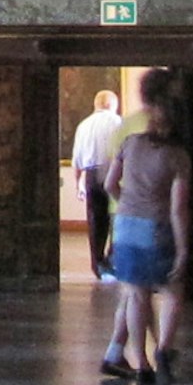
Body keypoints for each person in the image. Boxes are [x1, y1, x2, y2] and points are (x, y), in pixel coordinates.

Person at [101, 88, 193, 384]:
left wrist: (127, 203)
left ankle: (141, 364)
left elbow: (109, 184)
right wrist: (182, 249)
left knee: (136, 295)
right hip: (155, 226)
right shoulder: (178, 156)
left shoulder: (130, 143)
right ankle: (165, 350)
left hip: (125, 225)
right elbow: (178, 208)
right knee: (171, 290)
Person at [70, 87, 127, 283]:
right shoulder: (119, 123)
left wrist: (78, 184)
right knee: (117, 219)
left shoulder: (84, 126)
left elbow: (77, 159)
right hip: (115, 173)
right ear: (113, 105)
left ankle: (97, 264)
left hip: (92, 175)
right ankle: (113, 261)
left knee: (95, 221)